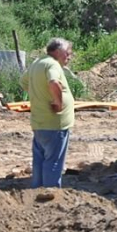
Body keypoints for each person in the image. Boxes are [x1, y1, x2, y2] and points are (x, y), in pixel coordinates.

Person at [20, 37, 75, 188]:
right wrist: (58, 102)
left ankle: (36, 192)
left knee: (39, 160)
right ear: (58, 51)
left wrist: (40, 95)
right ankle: (50, 193)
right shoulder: (52, 65)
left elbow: (23, 82)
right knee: (53, 162)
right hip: (55, 123)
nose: (69, 56)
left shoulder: (37, 63)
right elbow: (53, 82)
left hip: (40, 122)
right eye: (67, 53)